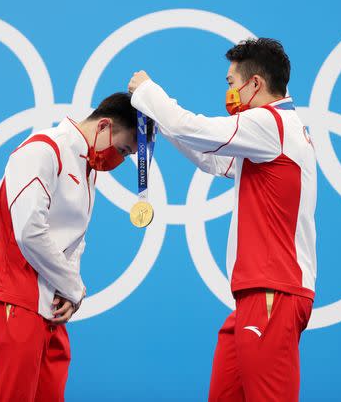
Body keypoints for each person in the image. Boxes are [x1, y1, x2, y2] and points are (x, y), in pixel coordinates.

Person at [128, 38, 317, 401]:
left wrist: (147, 92)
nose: (228, 92)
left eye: (231, 83)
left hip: (272, 291)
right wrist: (160, 124)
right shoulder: (277, 134)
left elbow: (193, 128)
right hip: (255, 295)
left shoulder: (270, 123)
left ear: (255, 84)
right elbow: (214, 160)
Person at [0, 92, 153, 402]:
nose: (120, 160)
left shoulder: (87, 169)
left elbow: (75, 238)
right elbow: (29, 230)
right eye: (123, 149)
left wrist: (67, 293)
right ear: (104, 127)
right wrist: (73, 287)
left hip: (53, 307)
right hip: (16, 297)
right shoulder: (43, 150)